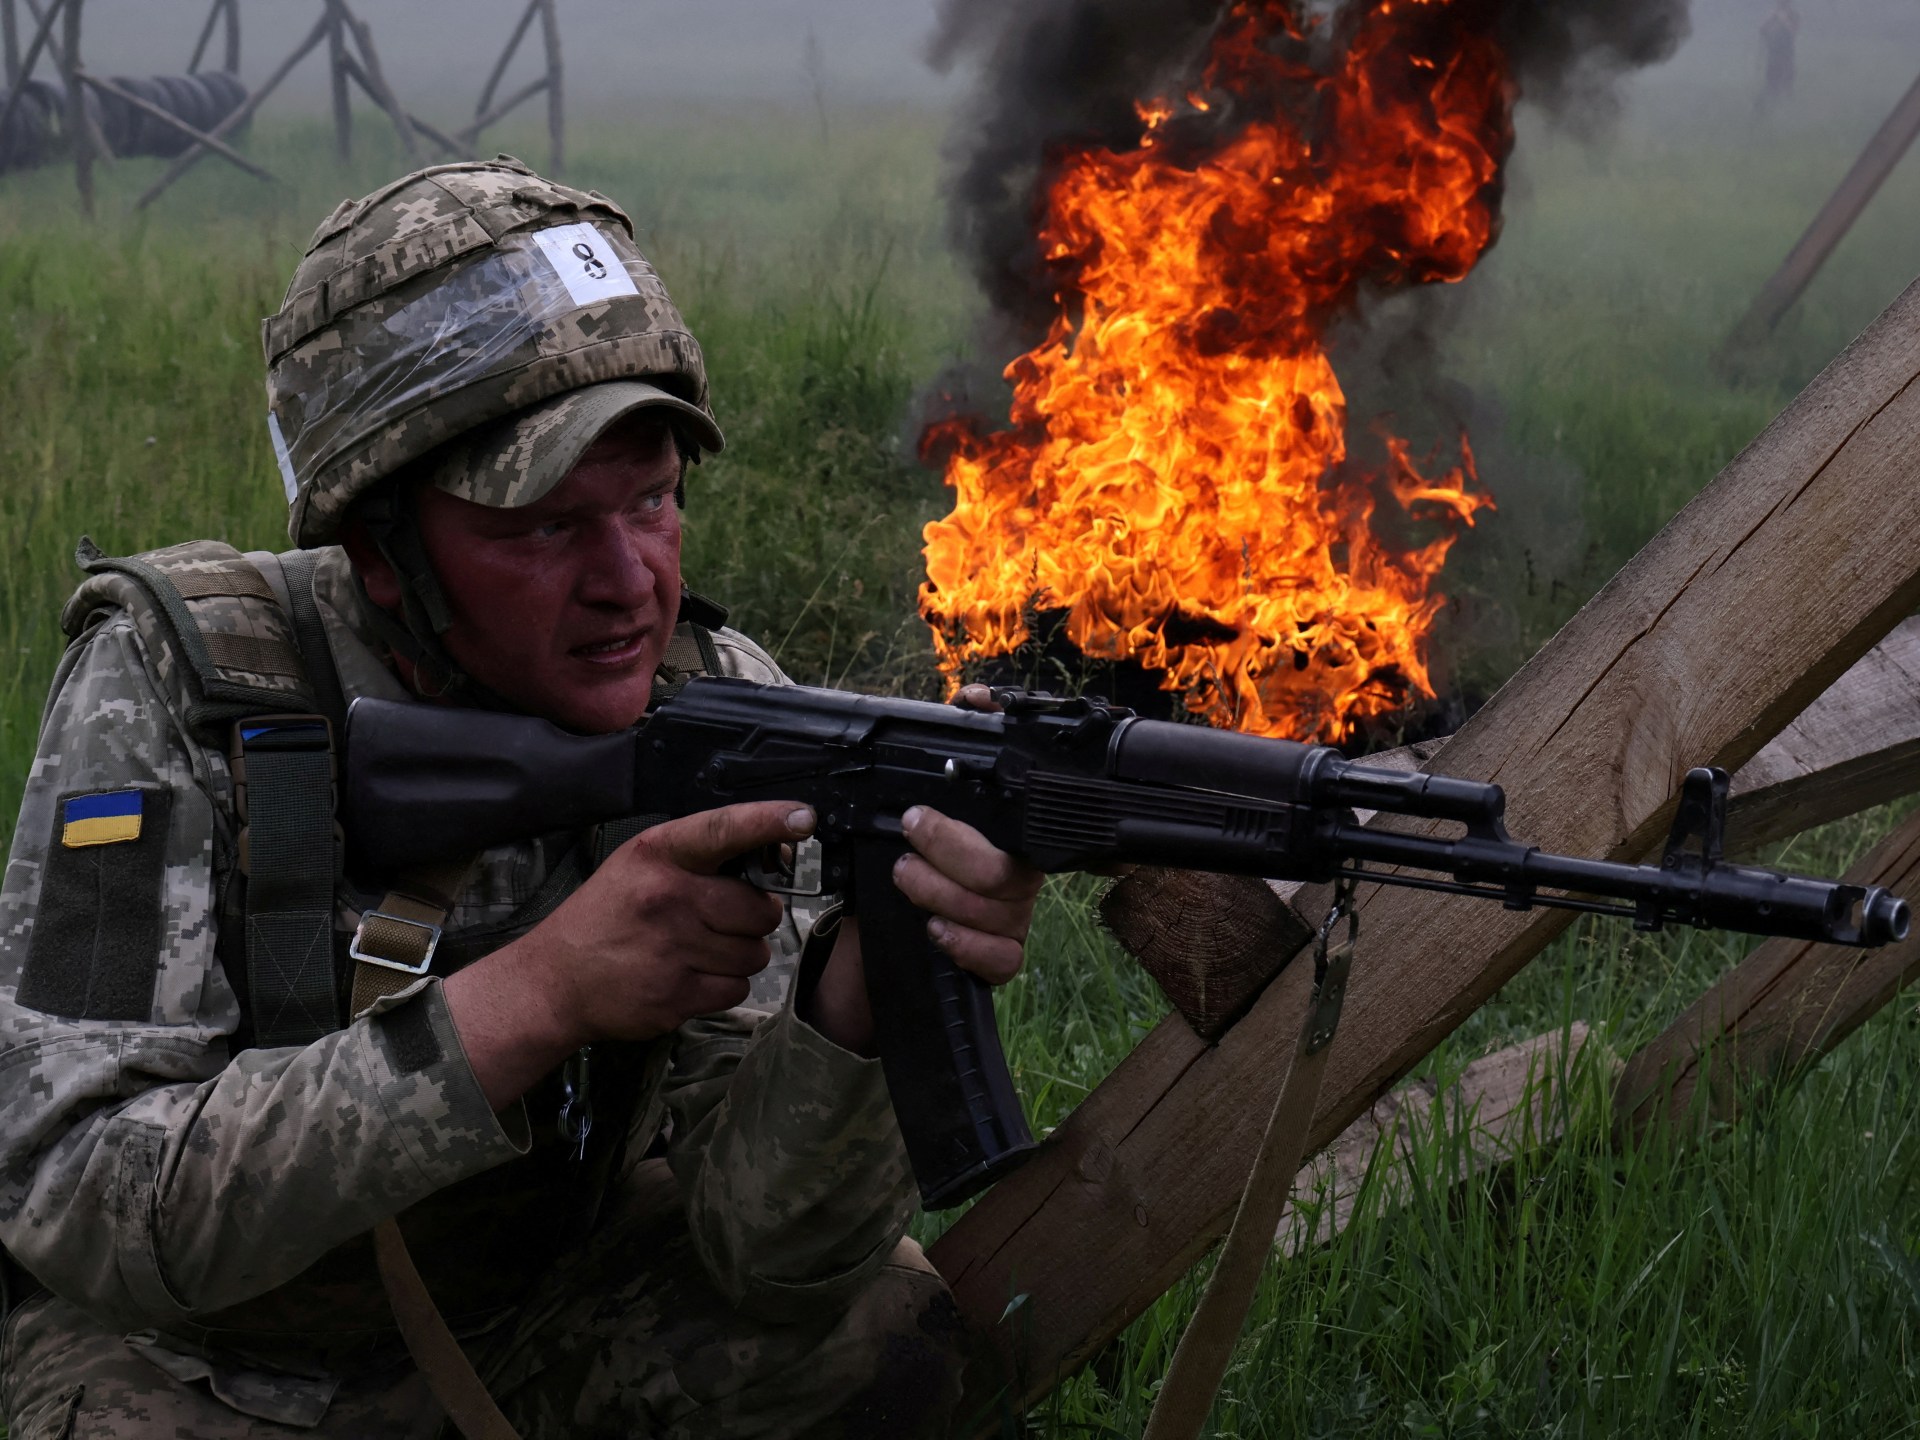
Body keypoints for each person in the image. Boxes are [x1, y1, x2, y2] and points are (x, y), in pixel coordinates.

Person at [0, 158, 1043, 1438]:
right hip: (214, 1365)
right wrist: (538, 996)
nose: (630, 581)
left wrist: (856, 1005)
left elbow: (768, 1260)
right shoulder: (179, 690)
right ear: (383, 551)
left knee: (884, 1334)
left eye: (652, 500)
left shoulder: (721, 708)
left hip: (542, 1316)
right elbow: (76, 1193)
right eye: (546, 526)